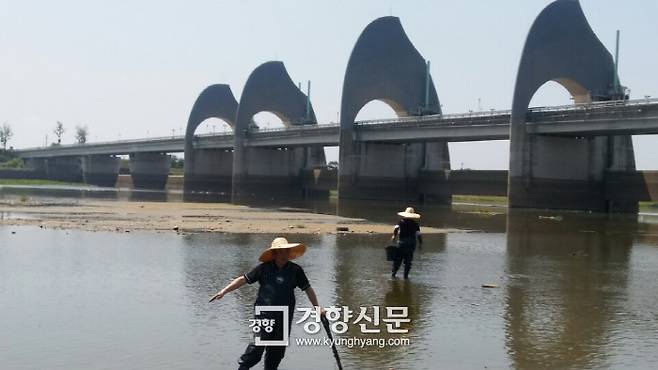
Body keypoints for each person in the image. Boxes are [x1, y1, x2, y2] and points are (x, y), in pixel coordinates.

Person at [209, 237, 324, 370]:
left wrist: (317, 307)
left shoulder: (295, 270)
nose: (284, 254)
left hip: (284, 315)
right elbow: (243, 280)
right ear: (274, 254)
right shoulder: (263, 269)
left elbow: (307, 289)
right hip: (264, 313)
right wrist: (224, 291)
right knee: (258, 347)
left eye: (286, 251)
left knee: (276, 353)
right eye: (281, 252)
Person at [390, 207, 423, 279]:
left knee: (398, 259)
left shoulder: (401, 222)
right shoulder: (415, 224)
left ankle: (393, 274)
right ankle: (406, 277)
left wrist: (394, 236)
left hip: (402, 242)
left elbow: (396, 229)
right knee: (408, 261)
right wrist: (420, 244)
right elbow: (418, 235)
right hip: (411, 244)